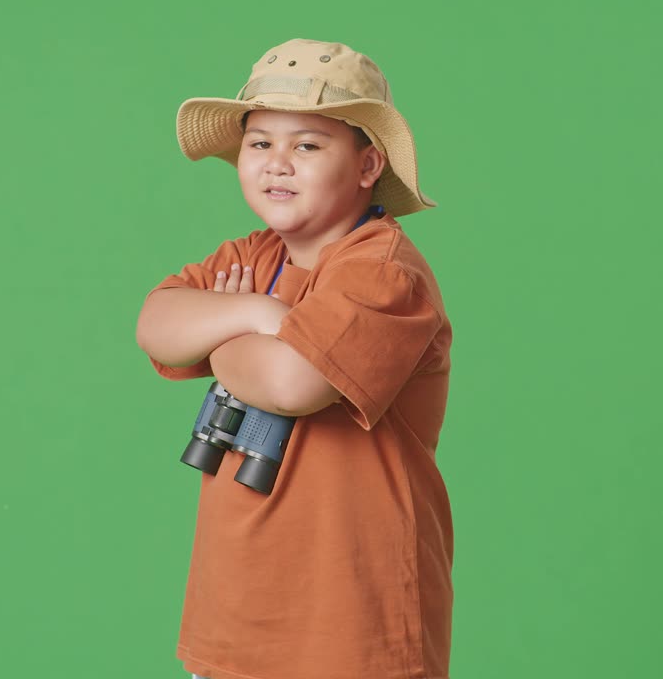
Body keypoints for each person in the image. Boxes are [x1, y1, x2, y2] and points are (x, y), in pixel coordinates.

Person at [135, 38, 454, 679]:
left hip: (353, 619)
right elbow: (155, 323)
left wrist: (218, 333)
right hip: (238, 612)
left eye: (307, 145)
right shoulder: (256, 257)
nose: (278, 163)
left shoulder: (382, 271)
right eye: (260, 143)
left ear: (368, 165)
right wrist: (259, 316)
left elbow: (292, 383)